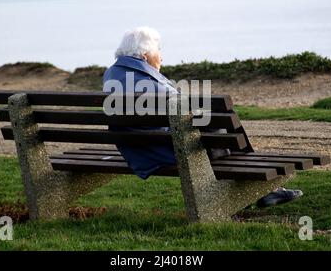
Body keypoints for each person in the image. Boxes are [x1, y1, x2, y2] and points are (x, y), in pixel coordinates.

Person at [103, 26, 303, 207]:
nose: (161, 56)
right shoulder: (148, 80)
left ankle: (260, 191)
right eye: (159, 50)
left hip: (135, 149)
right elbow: (183, 110)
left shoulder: (112, 73)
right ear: (145, 55)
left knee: (216, 124)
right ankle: (265, 189)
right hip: (163, 151)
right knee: (220, 120)